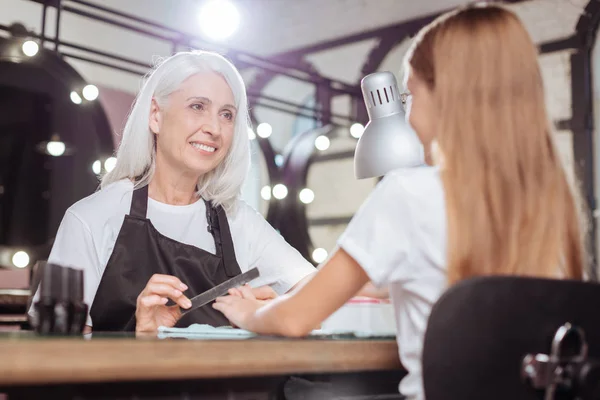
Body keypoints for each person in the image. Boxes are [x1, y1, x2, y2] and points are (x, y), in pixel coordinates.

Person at [212, 4, 587, 400]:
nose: (406, 112)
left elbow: (294, 320)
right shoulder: (554, 209)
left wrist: (248, 313)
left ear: (445, 96)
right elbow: (421, 278)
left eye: (409, 93)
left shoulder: (409, 193)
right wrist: (292, 295)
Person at [29, 50, 321, 333]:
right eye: (198, 106)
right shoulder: (91, 218)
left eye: (227, 115)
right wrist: (138, 338)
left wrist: (269, 314)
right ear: (155, 115)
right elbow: (56, 353)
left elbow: (319, 296)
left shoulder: (240, 221)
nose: (214, 128)